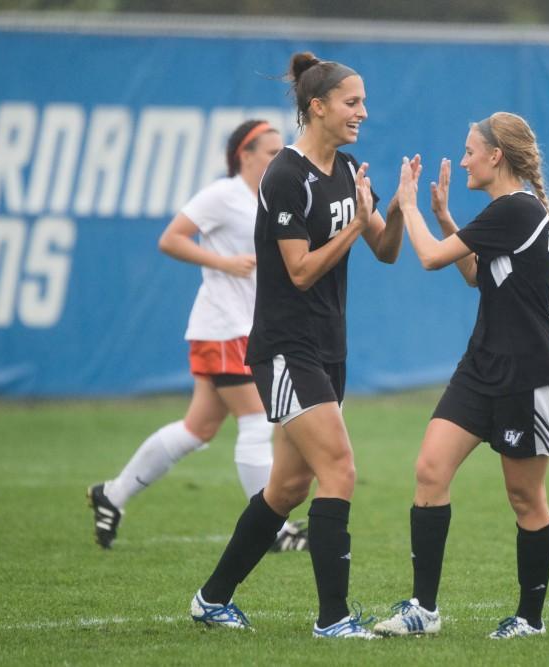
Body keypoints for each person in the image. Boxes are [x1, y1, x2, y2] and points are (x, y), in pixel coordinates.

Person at [188, 52, 407, 639]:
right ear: (317, 107)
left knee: (286, 486)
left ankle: (211, 600)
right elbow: (301, 270)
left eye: (362, 102)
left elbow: (385, 252)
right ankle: (333, 620)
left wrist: (398, 207)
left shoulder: (348, 167)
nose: (363, 111)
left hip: (328, 348)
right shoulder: (285, 175)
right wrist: (356, 226)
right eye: (352, 102)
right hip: (285, 348)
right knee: (339, 469)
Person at [372, 112, 549, 639]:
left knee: (525, 499)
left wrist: (410, 206)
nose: (462, 160)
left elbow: (433, 260)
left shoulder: (517, 209)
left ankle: (530, 620)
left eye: (468, 151)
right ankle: (424, 610)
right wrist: (443, 215)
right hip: (481, 367)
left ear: (495, 156)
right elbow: (475, 276)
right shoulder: (506, 214)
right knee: (429, 471)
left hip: (528, 376)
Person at [87, 120, 308, 553]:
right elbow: (171, 239)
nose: (276, 158)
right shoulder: (223, 195)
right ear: (244, 155)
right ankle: (272, 530)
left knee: (199, 427)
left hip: (240, 326)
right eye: (269, 151)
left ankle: (112, 494)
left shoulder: (268, 196)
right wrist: (223, 263)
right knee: (257, 420)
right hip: (224, 326)